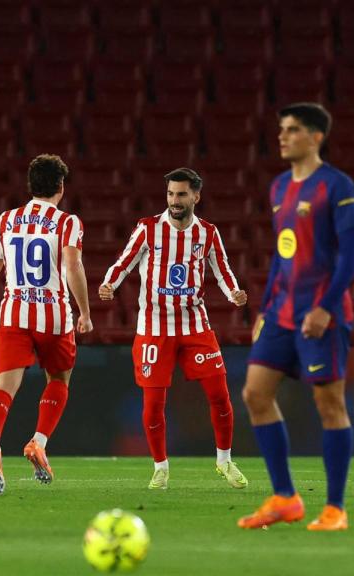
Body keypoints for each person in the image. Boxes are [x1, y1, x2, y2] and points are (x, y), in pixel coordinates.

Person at [237, 103, 354, 531]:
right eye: (281, 129)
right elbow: (281, 254)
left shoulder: (336, 185)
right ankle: (285, 497)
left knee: (329, 404)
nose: (283, 136)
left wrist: (327, 307)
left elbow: (351, 255)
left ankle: (335, 508)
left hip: (322, 314)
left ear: (315, 137)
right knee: (255, 394)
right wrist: (264, 309)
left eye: (292, 130)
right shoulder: (277, 188)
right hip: (281, 313)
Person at [98, 168, 249, 491]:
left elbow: (222, 269)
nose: (174, 201)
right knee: (153, 405)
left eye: (181, 194)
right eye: (170, 194)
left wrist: (233, 292)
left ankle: (224, 460)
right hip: (154, 328)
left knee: (220, 396)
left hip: (195, 326)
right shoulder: (148, 228)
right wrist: (110, 282)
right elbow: (124, 260)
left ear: (196, 196)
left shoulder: (207, 233)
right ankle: (160, 468)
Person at [0, 154, 93, 495]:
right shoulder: (68, 222)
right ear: (60, 186)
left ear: (30, 185)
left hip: (13, 314)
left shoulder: (5, 220)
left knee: (3, 388)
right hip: (54, 317)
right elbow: (72, 267)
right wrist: (85, 312)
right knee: (58, 380)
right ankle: (38, 443)